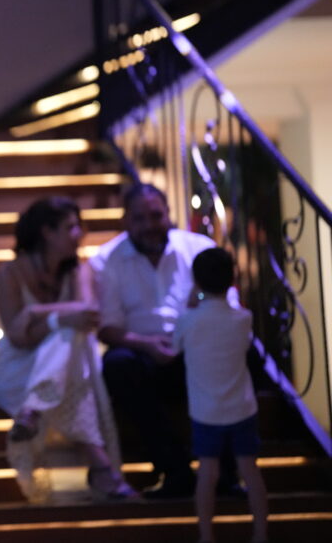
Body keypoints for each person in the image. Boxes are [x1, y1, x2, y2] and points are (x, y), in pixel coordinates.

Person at [92, 183, 240, 499]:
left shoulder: (199, 248)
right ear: (125, 220)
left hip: (198, 348)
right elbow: (106, 328)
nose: (149, 225)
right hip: (141, 354)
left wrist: (198, 309)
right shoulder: (106, 260)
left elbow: (229, 306)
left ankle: (226, 475)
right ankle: (175, 471)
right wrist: (147, 344)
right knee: (116, 364)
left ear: (168, 214)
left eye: (156, 216)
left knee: (241, 355)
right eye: (139, 218)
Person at [0, 196, 135, 502]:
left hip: (63, 368)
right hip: (19, 367)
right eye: (71, 227)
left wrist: (37, 314)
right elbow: (18, 338)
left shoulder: (79, 270)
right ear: (47, 232)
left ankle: (33, 410)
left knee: (72, 336)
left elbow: (90, 312)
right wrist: (59, 319)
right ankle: (102, 468)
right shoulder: (10, 274)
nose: (79, 234)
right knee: (69, 336)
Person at [175, 247, 267, 543]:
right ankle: (260, 533)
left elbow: (174, 347)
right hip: (242, 407)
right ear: (232, 279)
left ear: (196, 281)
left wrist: (193, 301)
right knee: (250, 471)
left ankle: (206, 535)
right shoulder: (243, 319)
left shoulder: (188, 321)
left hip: (206, 411)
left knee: (207, 473)